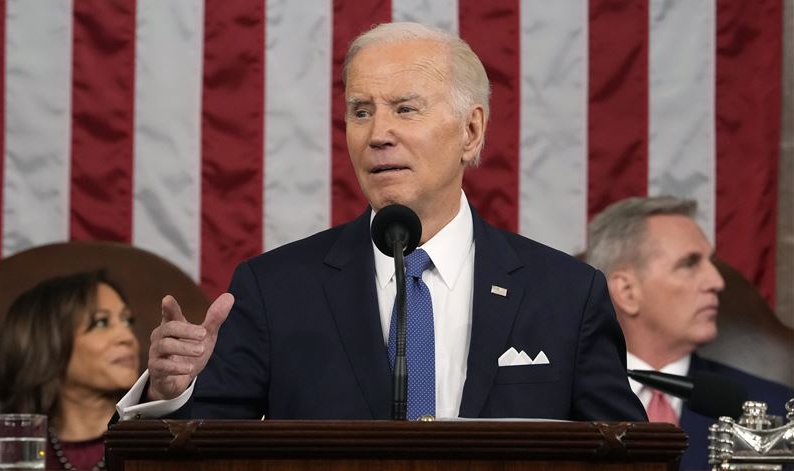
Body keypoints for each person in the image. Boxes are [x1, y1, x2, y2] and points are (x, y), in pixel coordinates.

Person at [117, 22, 645, 422]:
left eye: (406, 109)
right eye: (361, 111)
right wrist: (170, 393)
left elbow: (628, 454)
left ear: (471, 130)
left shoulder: (566, 295)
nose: (378, 135)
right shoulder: (274, 290)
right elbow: (197, 449)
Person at [585, 196, 793, 470]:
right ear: (627, 292)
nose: (717, 282)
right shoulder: (555, 405)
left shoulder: (775, 411)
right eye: (690, 263)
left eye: (711, 262)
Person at [0, 270, 140, 471]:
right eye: (101, 322)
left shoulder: (160, 442)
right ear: (46, 342)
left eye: (127, 321)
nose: (127, 337)